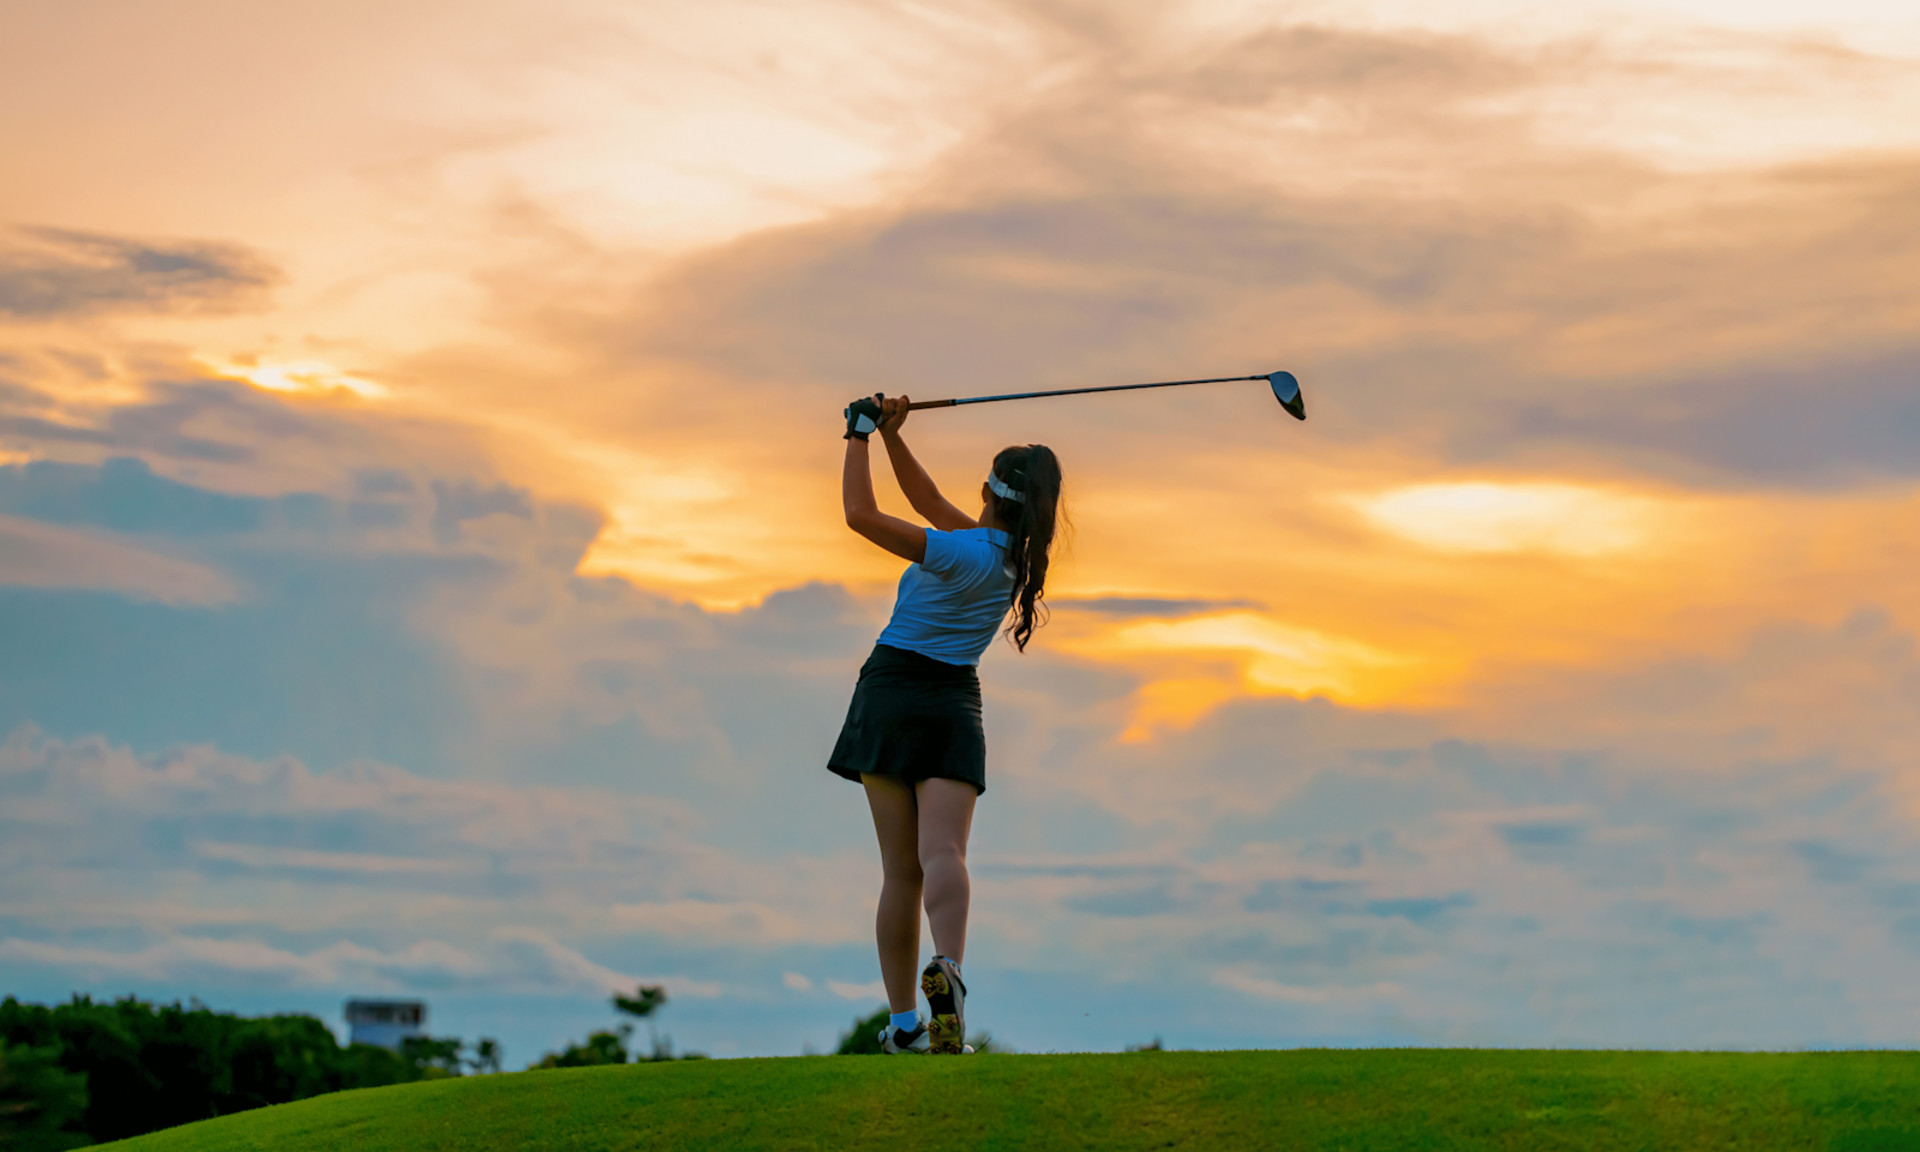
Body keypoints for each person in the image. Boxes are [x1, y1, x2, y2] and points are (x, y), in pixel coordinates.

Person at [829, 393, 1064, 1055]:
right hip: (955, 704)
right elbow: (928, 502)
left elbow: (860, 515)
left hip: (891, 692)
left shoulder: (958, 553)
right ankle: (950, 969)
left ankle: (906, 1025)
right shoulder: (1009, 562)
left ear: (987, 491)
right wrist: (895, 436)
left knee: (901, 872)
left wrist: (858, 434)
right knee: (946, 856)